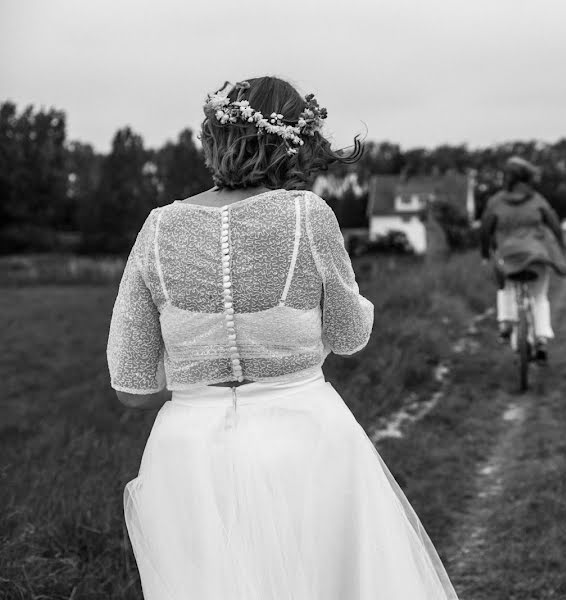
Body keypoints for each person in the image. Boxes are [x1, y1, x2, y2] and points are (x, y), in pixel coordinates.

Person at [107, 77, 458, 599]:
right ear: (295, 144)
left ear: (214, 137)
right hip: (304, 440)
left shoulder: (157, 227)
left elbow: (131, 389)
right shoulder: (307, 216)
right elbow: (348, 334)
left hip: (187, 457)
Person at [480, 156, 566, 363]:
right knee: (539, 297)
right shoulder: (537, 199)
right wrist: (560, 247)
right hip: (537, 254)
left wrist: (484, 253)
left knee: (506, 286)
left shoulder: (496, 201)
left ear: (507, 178)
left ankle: (505, 324)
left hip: (507, 255)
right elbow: (554, 224)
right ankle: (541, 339)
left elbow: (485, 229)